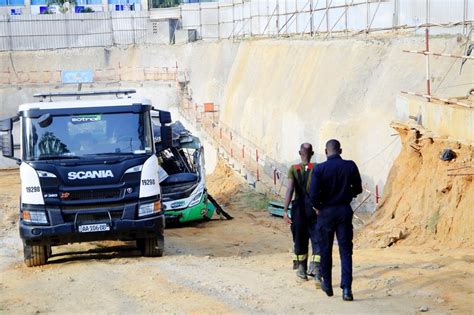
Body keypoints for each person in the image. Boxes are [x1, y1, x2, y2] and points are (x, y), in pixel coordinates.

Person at [309, 139, 362, 301]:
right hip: (344, 211)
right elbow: (358, 188)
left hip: (325, 212)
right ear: (341, 150)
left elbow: (312, 195)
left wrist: (318, 206)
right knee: (345, 251)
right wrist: (348, 194)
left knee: (325, 249)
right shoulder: (350, 165)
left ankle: (327, 284)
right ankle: (347, 289)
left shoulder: (320, 169)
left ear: (326, 151)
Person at [283, 143, 321, 283]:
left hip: (298, 209)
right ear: (312, 153)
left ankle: (301, 270)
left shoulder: (293, 169)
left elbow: (289, 190)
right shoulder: (317, 168)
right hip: (314, 208)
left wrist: (285, 210)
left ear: (300, 153)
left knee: (299, 239)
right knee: (317, 238)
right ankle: (316, 269)